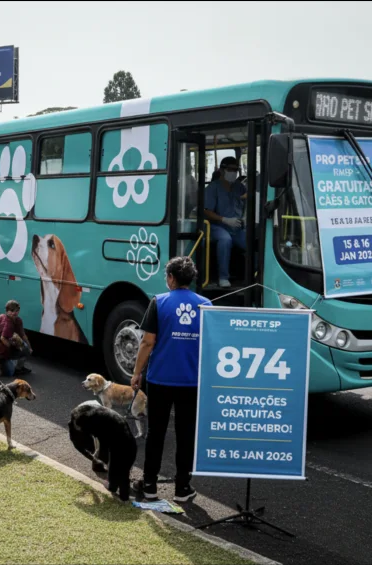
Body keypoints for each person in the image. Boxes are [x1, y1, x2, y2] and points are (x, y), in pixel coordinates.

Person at [131, 256, 212, 503]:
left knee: (156, 433)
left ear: (171, 278)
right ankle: (182, 488)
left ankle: (149, 485)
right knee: (186, 434)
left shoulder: (159, 302)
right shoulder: (206, 305)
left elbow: (147, 342)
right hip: (191, 381)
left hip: (160, 380)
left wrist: (136, 373)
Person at [202, 156, 247, 288]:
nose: (233, 172)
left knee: (250, 241)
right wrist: (224, 219)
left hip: (236, 227)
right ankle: (223, 277)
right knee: (225, 240)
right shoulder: (213, 188)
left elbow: (247, 200)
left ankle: (255, 274)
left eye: (236, 170)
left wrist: (244, 218)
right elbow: (206, 211)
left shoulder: (239, 187)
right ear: (222, 170)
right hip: (215, 226)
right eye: (230, 169)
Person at [0, 300, 33, 377]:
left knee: (25, 347)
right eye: (11, 311)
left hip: (6, 347)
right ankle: (0, 363)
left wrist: (29, 347)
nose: (14, 313)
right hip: (1, 353)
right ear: (7, 311)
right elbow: (3, 338)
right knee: (9, 373)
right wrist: (11, 346)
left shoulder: (17, 320)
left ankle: (19, 367)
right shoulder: (8, 323)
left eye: (16, 311)